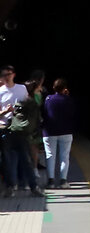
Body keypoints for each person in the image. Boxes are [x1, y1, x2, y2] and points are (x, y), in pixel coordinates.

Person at [0, 66, 38, 197]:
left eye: (8, 74)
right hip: (6, 128)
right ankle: (10, 187)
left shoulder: (21, 89)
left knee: (25, 159)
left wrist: (22, 110)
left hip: (21, 129)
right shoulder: (0, 91)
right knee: (8, 160)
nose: (6, 76)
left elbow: (29, 105)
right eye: (4, 74)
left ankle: (33, 186)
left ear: (14, 75)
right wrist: (5, 111)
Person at [43, 79, 76, 189]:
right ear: (65, 88)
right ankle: (63, 181)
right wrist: (67, 96)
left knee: (50, 156)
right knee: (64, 157)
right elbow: (72, 114)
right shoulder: (69, 100)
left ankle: (51, 181)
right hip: (66, 131)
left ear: (53, 88)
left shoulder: (48, 99)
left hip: (49, 131)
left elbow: (44, 112)